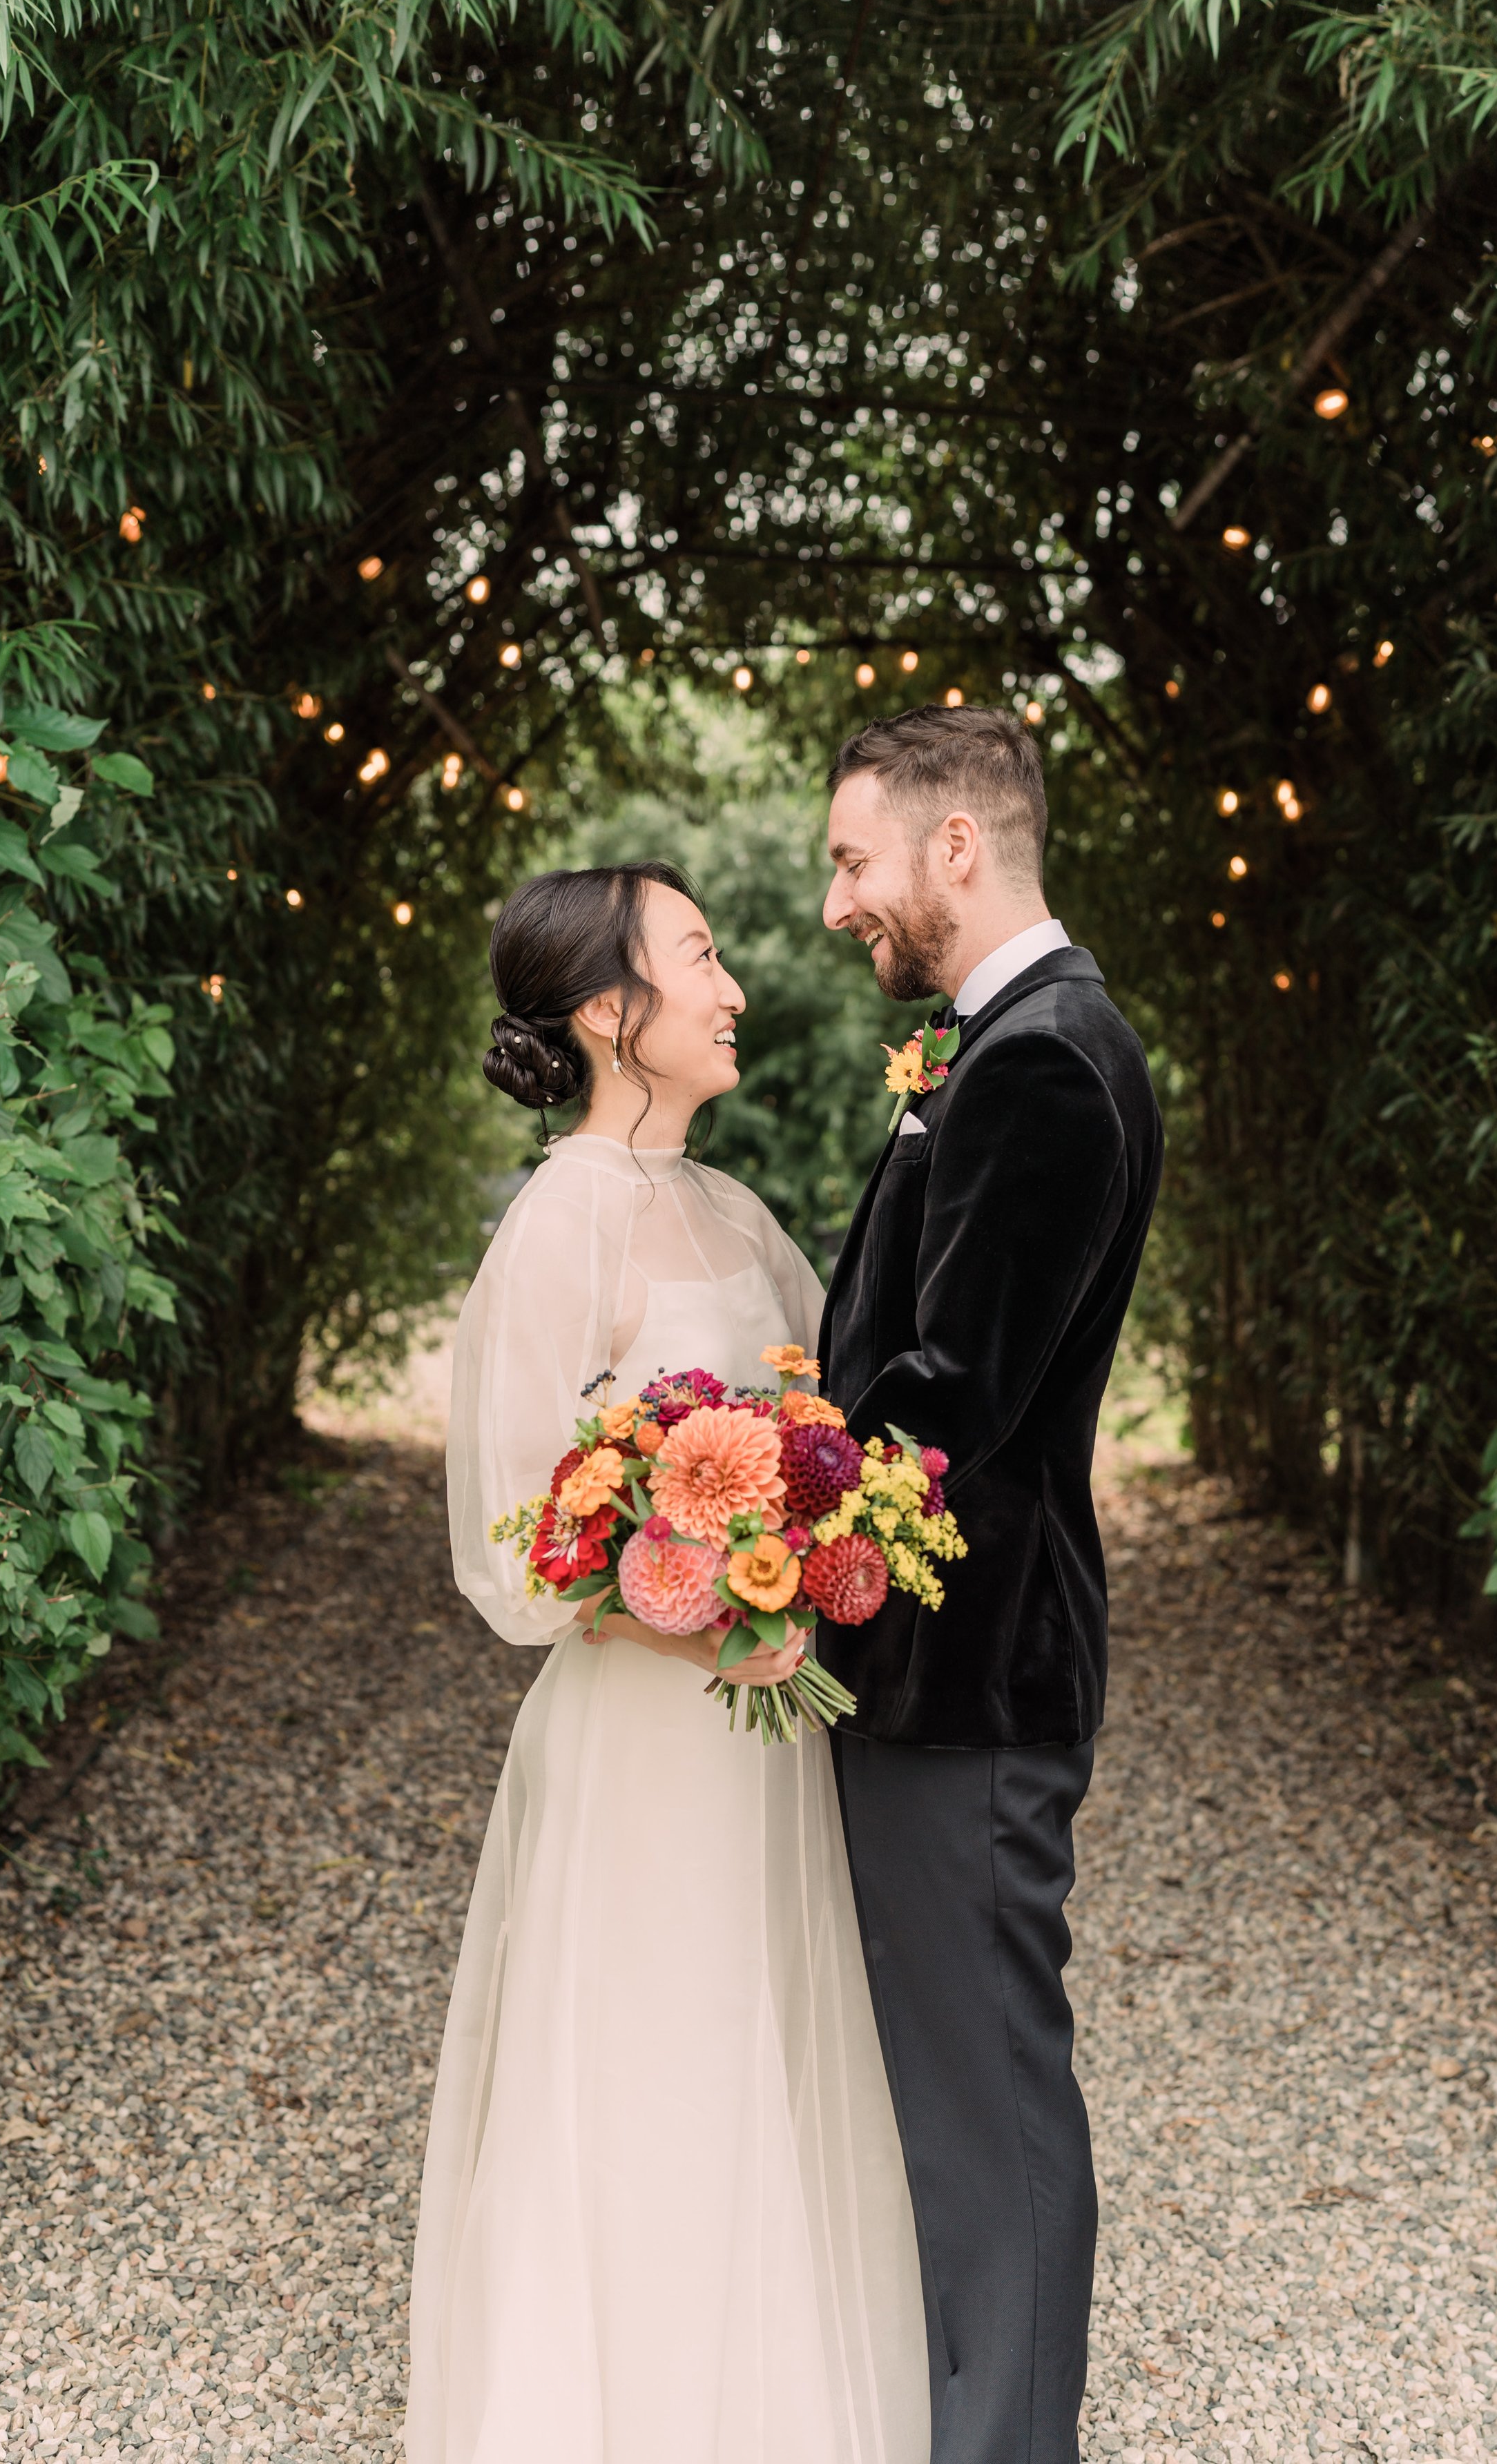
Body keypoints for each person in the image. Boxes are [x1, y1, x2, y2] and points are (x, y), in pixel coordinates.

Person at [407, 862, 928, 2464]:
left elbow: (816, 1426)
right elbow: (511, 1545)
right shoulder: (557, 1223)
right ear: (609, 1012)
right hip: (642, 1738)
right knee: (641, 2066)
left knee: (757, 2049)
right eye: (698, 959)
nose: (733, 988)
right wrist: (698, 1603)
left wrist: (816, 1543)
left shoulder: (728, 1207)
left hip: (759, 1739)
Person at [818, 706, 1163, 2464]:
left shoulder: (1041, 1061)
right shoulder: (1001, 1040)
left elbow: (948, 1402)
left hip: (972, 1674)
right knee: (945, 2099)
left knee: (989, 2099)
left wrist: (766, 1504)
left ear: (958, 846)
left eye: (850, 858)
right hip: (930, 1672)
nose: (833, 901)